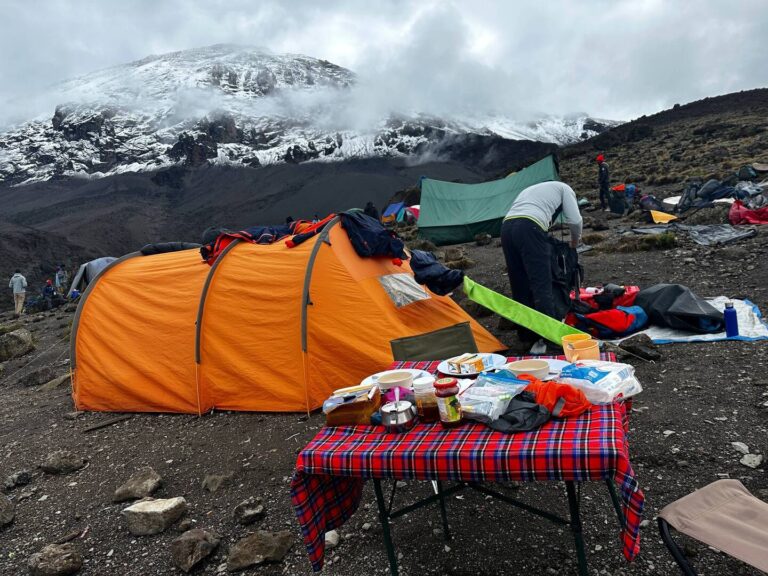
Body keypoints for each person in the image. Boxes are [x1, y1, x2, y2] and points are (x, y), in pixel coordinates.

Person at [501, 181, 583, 354]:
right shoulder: (566, 189)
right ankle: (551, 339)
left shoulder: (533, 189)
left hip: (506, 228)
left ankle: (526, 336)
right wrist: (575, 242)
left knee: (519, 284)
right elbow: (575, 220)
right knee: (541, 284)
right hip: (530, 227)